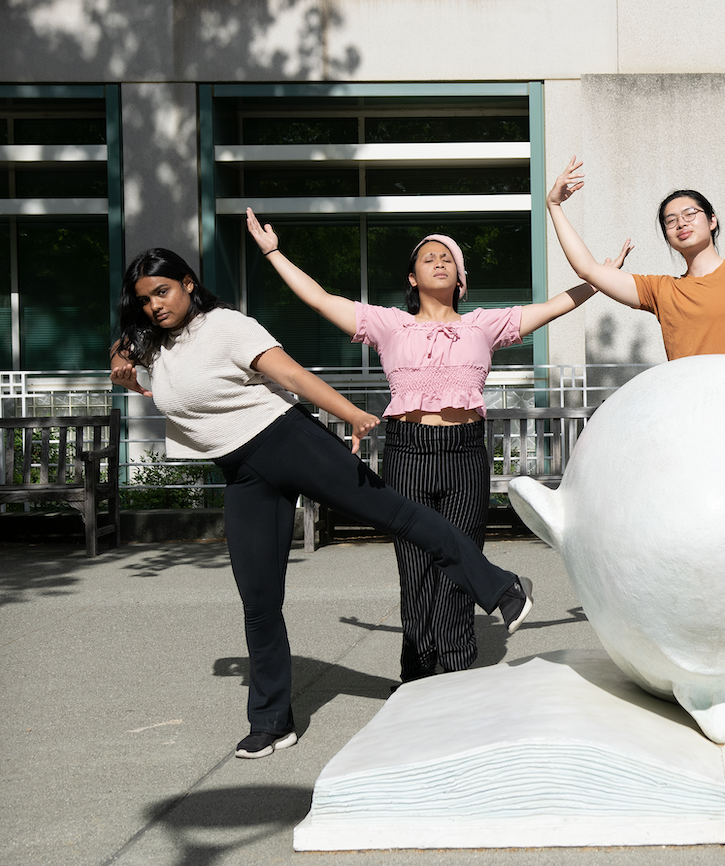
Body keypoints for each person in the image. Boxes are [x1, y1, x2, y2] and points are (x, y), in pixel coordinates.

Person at [109, 248, 535, 760]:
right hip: (242, 473)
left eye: (163, 292)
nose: (155, 305)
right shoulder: (153, 345)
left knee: (396, 515)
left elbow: (291, 376)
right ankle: (271, 722)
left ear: (188, 284)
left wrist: (351, 413)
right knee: (259, 601)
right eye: (145, 300)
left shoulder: (225, 326)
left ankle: (501, 587)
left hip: (287, 440)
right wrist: (122, 363)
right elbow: (125, 353)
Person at [246, 210, 630, 685]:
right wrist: (272, 253)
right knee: (414, 568)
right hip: (407, 452)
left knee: (460, 563)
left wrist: (599, 279)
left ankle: (456, 672)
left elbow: (554, 307)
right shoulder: (389, 325)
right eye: (428, 258)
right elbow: (321, 299)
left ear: (461, 278)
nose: (439, 262)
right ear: (412, 278)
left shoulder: (484, 325)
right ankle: (417, 672)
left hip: (464, 452)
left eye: (448, 258)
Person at [542, 157, 725, 404]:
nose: (681, 222)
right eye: (670, 221)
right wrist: (554, 206)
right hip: (684, 414)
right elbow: (587, 269)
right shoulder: (660, 291)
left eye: (690, 214)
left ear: (712, 220)